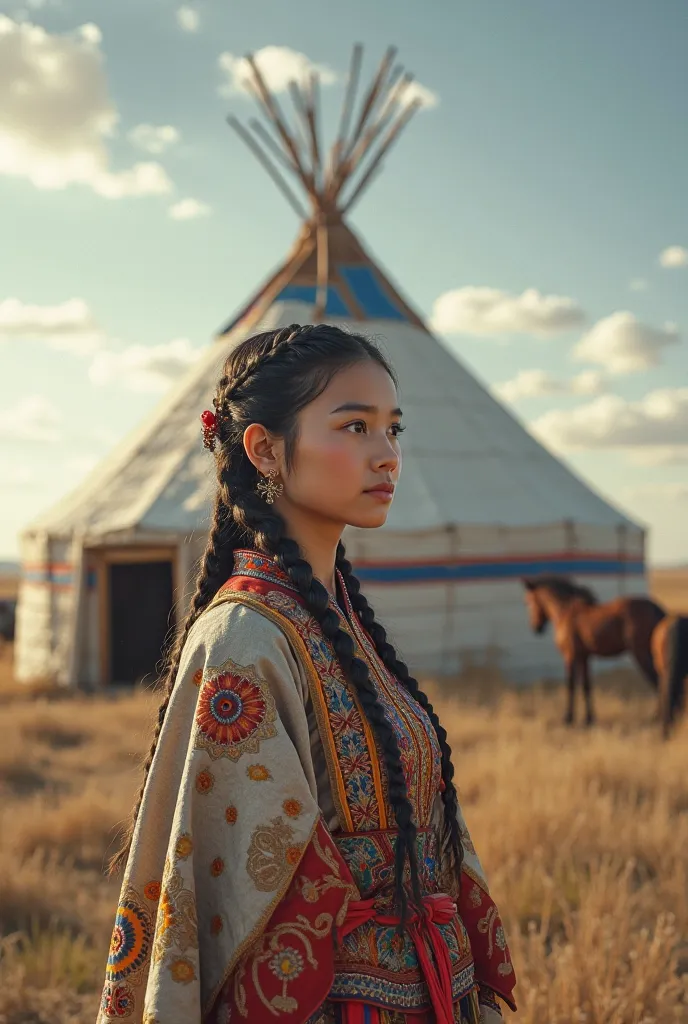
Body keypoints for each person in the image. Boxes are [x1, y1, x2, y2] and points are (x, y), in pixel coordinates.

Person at [98, 324, 517, 1024]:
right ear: (264, 449)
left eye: (394, 429)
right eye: (355, 426)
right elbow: (247, 906)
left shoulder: (342, 621)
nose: (387, 456)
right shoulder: (244, 640)